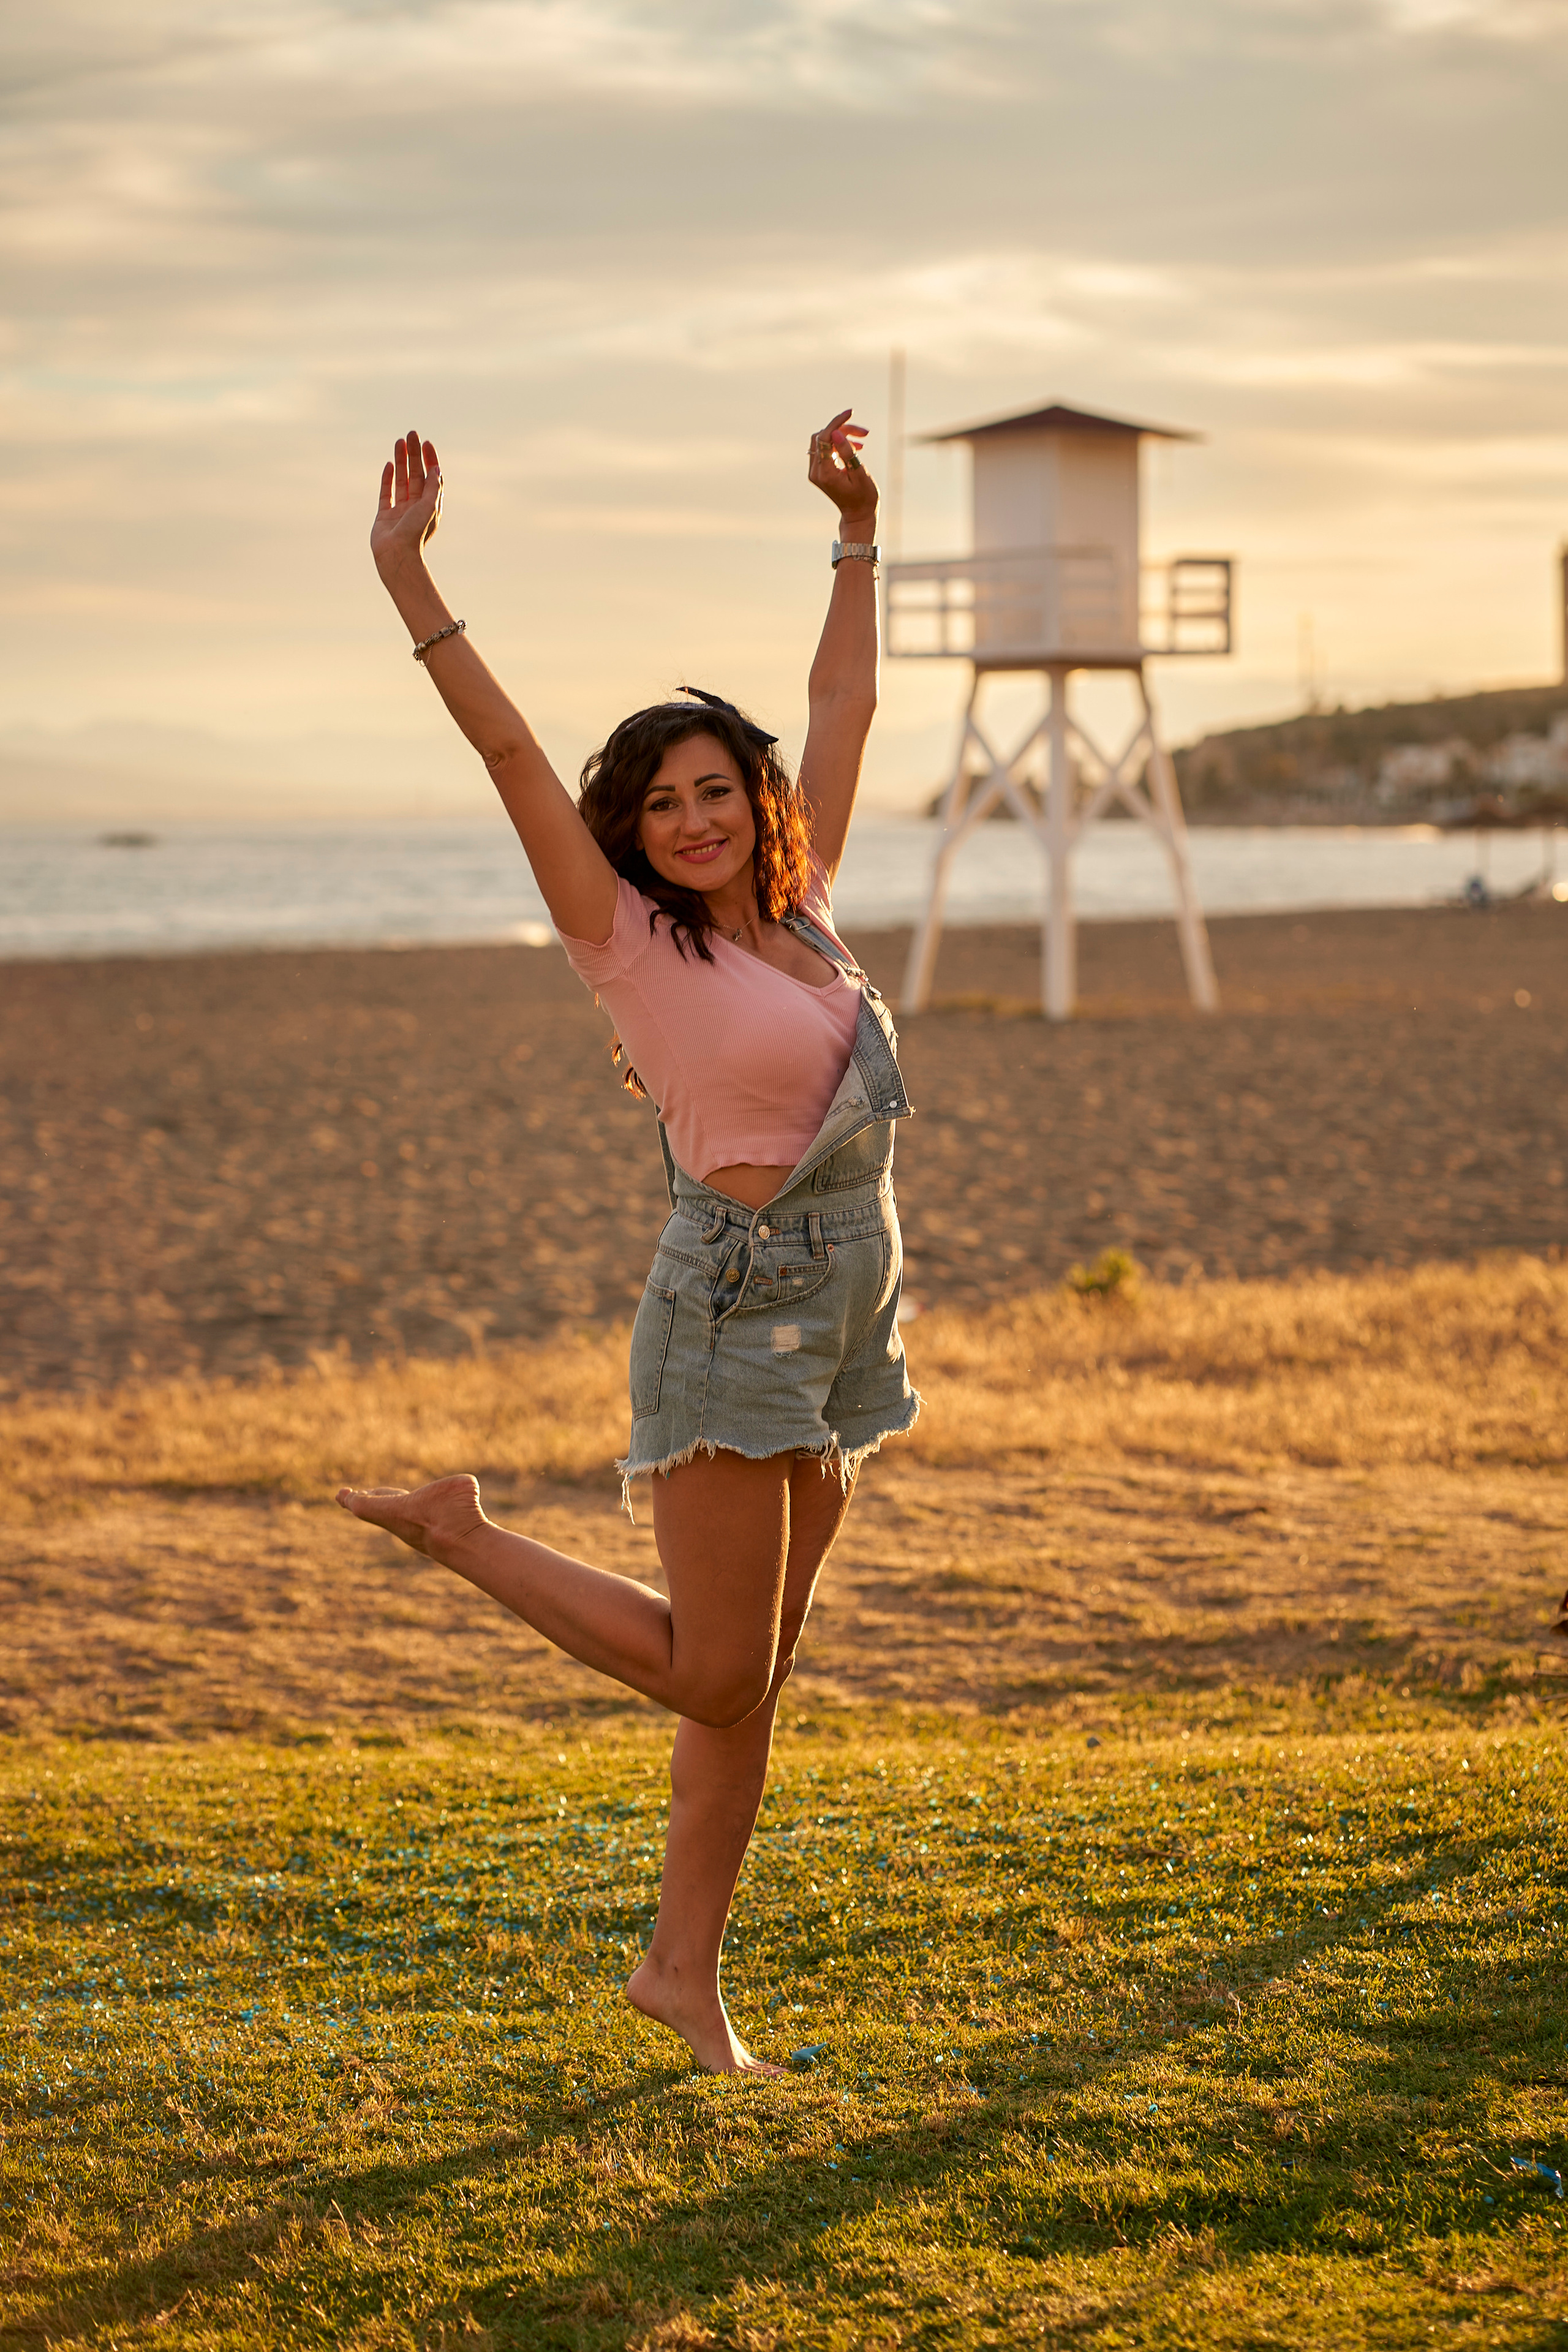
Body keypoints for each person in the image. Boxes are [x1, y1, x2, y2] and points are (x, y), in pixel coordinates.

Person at [337, 412, 919, 2074]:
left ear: (755, 800)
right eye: (662, 803)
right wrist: (409, 579)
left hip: (844, 1310)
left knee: (753, 1683)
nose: (693, 818)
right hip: (731, 1307)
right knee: (716, 1671)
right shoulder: (625, 945)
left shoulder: (807, 914)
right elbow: (511, 754)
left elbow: (846, 706)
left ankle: (684, 1977)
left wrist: (857, 530)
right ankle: (463, 1536)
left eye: (716, 789)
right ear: (633, 829)